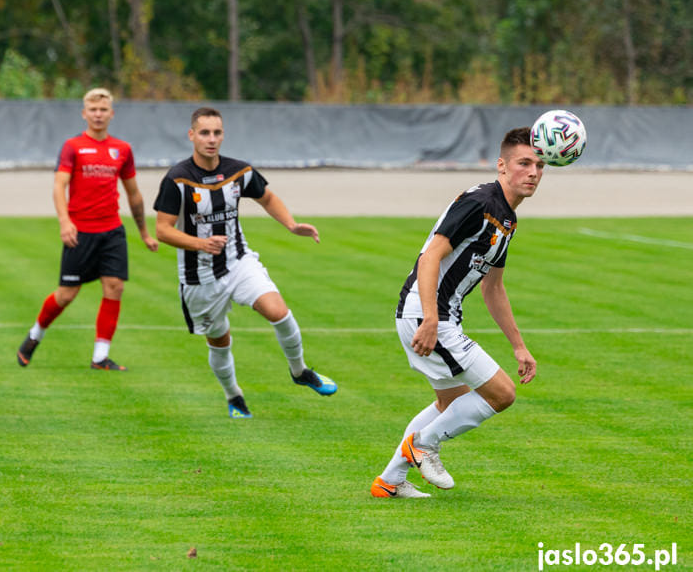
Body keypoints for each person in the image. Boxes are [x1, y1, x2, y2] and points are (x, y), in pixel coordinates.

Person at [370, 127, 540, 499]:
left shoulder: (507, 219)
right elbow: (430, 255)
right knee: (502, 393)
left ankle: (389, 481)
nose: (533, 172)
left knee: (449, 403)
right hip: (427, 314)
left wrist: (519, 346)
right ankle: (423, 446)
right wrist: (431, 318)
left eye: (540, 165)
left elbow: (493, 288)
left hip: (439, 315)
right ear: (502, 165)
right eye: (524, 163)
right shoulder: (478, 201)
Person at [153, 107, 337, 419]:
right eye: (205, 133)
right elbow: (163, 230)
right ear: (192, 135)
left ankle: (300, 371)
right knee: (219, 339)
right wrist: (201, 244)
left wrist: (291, 225)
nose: (211, 139)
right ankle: (234, 396)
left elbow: (266, 197)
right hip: (199, 279)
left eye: (217, 133)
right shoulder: (177, 179)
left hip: (239, 262)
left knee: (278, 311)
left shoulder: (239, 171)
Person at [17, 88, 158, 371]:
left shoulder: (123, 150)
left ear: (111, 114)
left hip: (112, 231)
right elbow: (59, 185)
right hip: (80, 232)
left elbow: (133, 194)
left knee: (115, 287)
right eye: (92, 110)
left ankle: (100, 357)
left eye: (103, 110)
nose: (98, 114)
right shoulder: (73, 146)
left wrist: (144, 232)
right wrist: (65, 221)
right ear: (84, 113)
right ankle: (35, 335)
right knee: (67, 294)